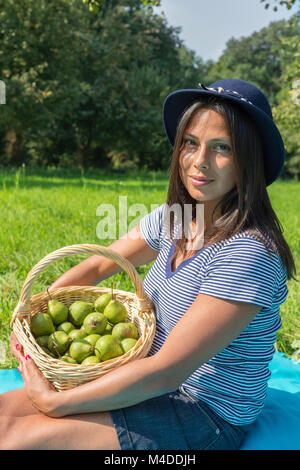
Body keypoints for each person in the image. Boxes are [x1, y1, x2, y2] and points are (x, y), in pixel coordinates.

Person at [2, 79, 297, 450]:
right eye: (191, 143)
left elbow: (169, 373)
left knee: (15, 440)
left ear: (248, 160)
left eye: (222, 148)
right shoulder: (177, 217)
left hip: (202, 412)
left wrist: (56, 403)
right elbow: (96, 267)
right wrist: (33, 307)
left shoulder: (248, 254)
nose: (199, 161)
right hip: (143, 380)